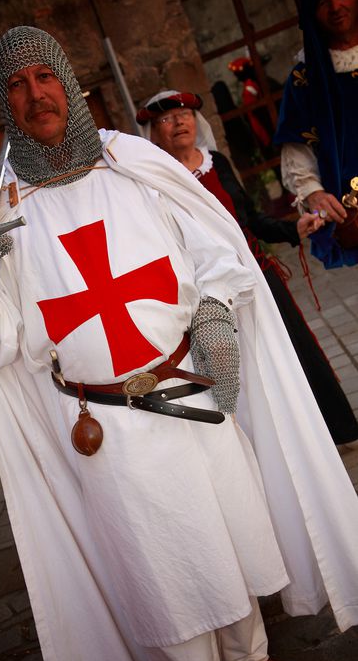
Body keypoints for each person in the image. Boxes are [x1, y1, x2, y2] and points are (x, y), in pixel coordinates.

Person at [0, 26, 358, 661]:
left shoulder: (131, 160)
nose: (35, 93)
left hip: (187, 386)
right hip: (105, 423)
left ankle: (250, 656)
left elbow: (213, 247)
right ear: (2, 101)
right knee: (162, 568)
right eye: (17, 84)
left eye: (45, 76)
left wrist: (218, 315)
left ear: (68, 82)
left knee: (223, 529)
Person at [137, 89, 358, 447]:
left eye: (185, 114)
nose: (179, 122)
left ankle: (337, 429)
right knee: (245, 369)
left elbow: (249, 219)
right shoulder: (155, 181)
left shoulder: (217, 163)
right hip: (206, 294)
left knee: (295, 347)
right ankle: (272, 444)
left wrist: (292, 228)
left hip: (255, 272)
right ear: (153, 132)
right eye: (166, 118)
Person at [275, 0, 358, 268]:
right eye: (323, 2)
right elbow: (296, 151)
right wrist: (313, 192)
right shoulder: (304, 80)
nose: (335, 7)